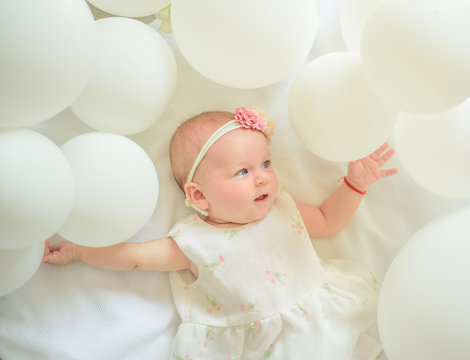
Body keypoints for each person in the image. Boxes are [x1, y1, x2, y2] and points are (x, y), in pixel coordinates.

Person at [43, 107, 397, 360]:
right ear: (198, 195)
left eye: (266, 164)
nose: (262, 177)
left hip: (327, 327)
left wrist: (355, 184)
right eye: (243, 171)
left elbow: (327, 220)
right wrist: (80, 251)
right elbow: (135, 259)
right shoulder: (194, 242)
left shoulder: (282, 208)